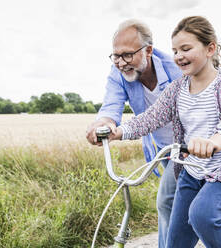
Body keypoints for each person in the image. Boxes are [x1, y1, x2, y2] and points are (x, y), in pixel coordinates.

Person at [109, 16, 221, 248]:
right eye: (175, 50)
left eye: (186, 49)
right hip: (192, 172)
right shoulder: (177, 88)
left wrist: (214, 142)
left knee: (202, 216)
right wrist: (118, 132)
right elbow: (151, 118)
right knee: (175, 241)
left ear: (210, 48)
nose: (178, 56)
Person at [85, 19, 182, 248]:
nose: (121, 62)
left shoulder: (177, 69)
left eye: (127, 55)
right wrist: (105, 124)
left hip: (190, 147)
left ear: (148, 50)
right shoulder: (118, 72)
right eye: (116, 55)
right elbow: (111, 106)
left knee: (167, 202)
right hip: (164, 150)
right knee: (176, 207)